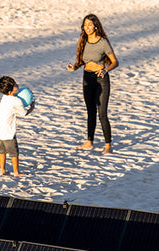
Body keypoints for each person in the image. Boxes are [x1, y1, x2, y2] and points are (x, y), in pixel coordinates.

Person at [65, 14, 119, 154]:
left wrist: (106, 70)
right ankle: (89, 142)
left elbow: (115, 62)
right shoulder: (83, 40)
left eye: (90, 24)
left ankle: (108, 145)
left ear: (95, 26)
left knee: (102, 114)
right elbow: (82, 61)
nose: (87, 27)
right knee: (90, 111)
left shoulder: (103, 42)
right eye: (85, 25)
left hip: (101, 78)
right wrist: (74, 67)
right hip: (87, 77)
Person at [0, 75, 35, 176]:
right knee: (14, 153)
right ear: (10, 91)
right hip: (8, 131)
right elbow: (23, 113)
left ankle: (2, 169)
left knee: (2, 151)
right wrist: (32, 108)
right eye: (15, 85)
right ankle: (16, 172)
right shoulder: (17, 100)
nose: (18, 85)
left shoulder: (5, 97)